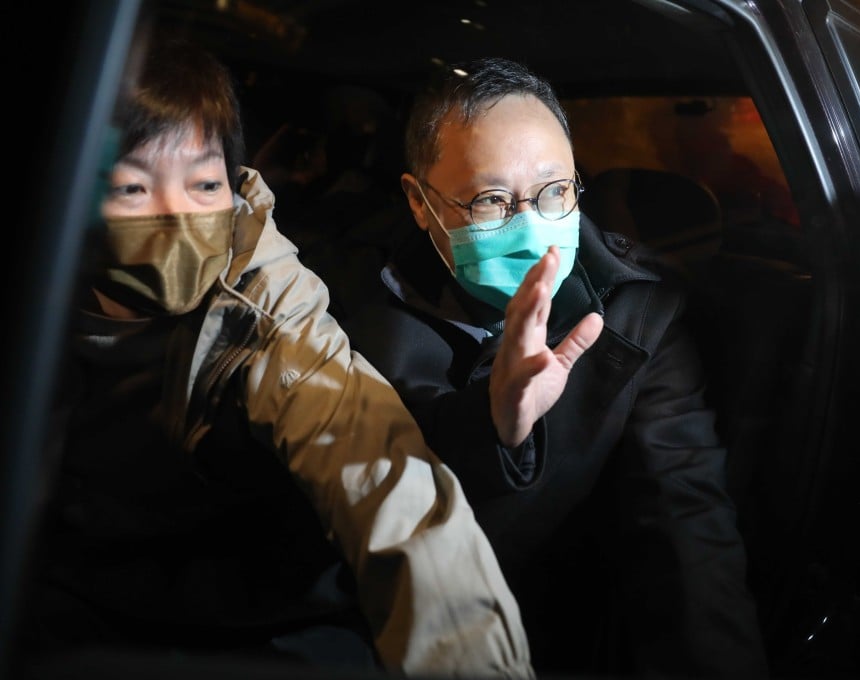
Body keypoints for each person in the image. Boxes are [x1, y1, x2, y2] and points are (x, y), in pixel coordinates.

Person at [18, 37, 532, 679]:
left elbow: (381, 473)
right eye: (133, 186)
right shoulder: (37, 298)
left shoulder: (263, 298)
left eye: (205, 183)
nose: (177, 214)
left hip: (254, 628)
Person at [337, 57, 768, 677]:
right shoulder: (354, 300)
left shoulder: (640, 313)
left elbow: (685, 526)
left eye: (554, 191)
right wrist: (492, 424)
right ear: (419, 202)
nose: (533, 226)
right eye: (491, 200)